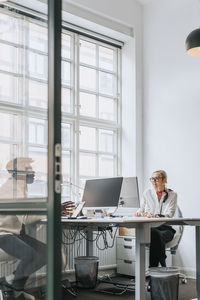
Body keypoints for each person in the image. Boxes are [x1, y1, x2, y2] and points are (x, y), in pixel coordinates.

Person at [0, 157, 74, 299]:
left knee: (47, 253)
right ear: (17, 172)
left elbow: (26, 211)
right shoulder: (12, 189)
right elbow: (26, 218)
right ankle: (15, 289)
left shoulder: (18, 187)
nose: (33, 172)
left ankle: (11, 282)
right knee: (30, 255)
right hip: (3, 234)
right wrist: (53, 209)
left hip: (14, 233)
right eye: (28, 169)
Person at [135, 170, 177, 267]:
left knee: (155, 235)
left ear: (164, 180)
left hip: (166, 229)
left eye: (156, 179)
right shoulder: (147, 193)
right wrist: (138, 213)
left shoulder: (172, 195)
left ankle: (153, 268)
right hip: (151, 229)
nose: (153, 181)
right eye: (152, 179)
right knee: (155, 234)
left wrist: (155, 216)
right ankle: (161, 263)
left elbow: (169, 215)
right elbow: (141, 210)